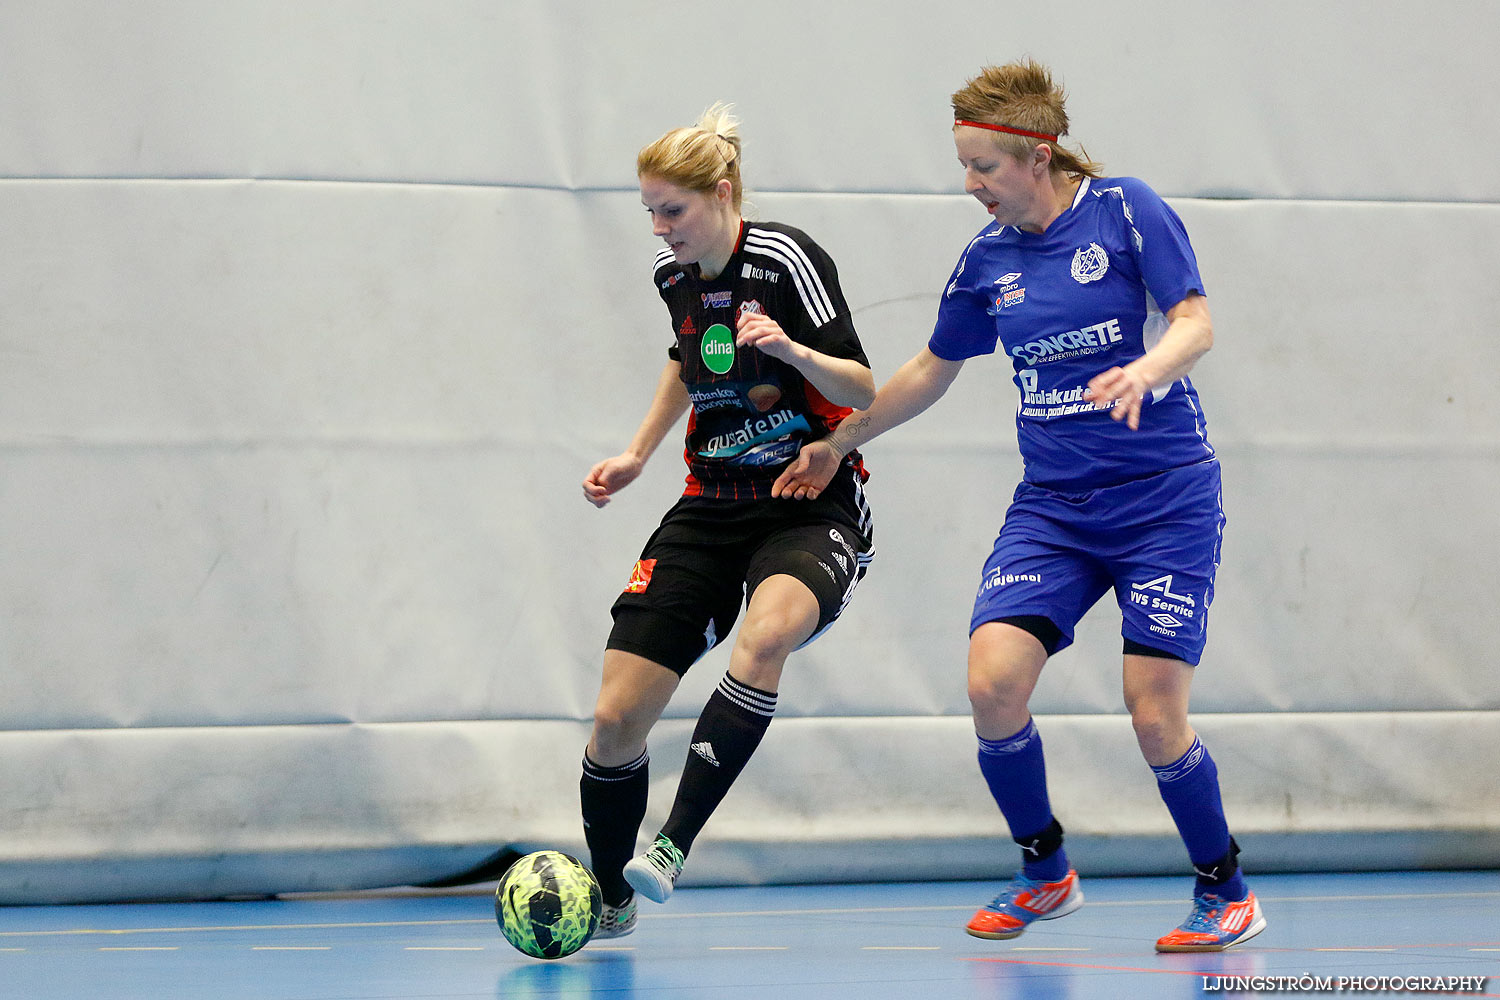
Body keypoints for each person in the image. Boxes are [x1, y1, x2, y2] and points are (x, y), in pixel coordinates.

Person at [773, 60, 1265, 953]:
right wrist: (842, 439)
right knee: (993, 684)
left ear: (1037, 156)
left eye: (985, 167)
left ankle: (1223, 888)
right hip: (1055, 509)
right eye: (964, 167)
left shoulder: (1124, 210)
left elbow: (1194, 320)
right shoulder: (987, 260)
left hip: (1164, 502)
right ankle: (1045, 871)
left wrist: (1146, 371)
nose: (971, 186)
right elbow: (930, 369)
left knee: (1153, 710)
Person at [578, 103, 877, 939]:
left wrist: (791, 353)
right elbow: (686, 360)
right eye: (650, 213)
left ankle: (672, 845)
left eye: (671, 210)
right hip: (711, 505)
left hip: (807, 500)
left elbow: (862, 387)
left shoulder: (785, 259)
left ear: (721, 191)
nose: (660, 228)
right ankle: (609, 896)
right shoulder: (674, 281)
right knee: (614, 718)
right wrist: (638, 453)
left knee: (768, 633)